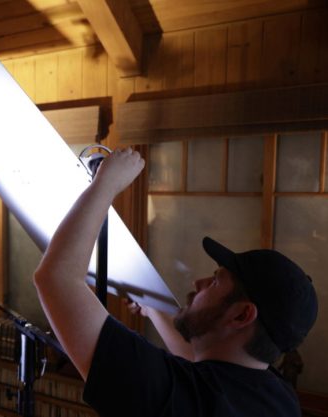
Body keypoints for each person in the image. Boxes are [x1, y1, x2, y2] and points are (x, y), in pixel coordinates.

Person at [33, 148, 318, 417]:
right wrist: (154, 310)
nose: (199, 282)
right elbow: (199, 359)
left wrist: (106, 184)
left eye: (215, 282)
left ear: (242, 315)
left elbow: (56, 279)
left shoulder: (168, 396)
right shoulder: (278, 396)